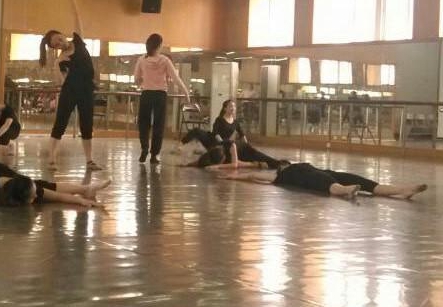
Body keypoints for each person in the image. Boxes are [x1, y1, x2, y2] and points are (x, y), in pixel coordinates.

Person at [39, 0, 101, 171]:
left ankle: (89, 160)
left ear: (62, 35)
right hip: (70, 91)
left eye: (59, 38)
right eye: (56, 44)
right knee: (61, 122)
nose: (60, 43)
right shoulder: (61, 59)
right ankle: (52, 158)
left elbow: (77, 17)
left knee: (87, 124)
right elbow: (61, 82)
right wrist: (57, 64)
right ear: (55, 48)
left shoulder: (78, 40)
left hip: (87, 89)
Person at [216, 163, 428, 200]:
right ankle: (344, 191)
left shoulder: (290, 170)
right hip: (312, 178)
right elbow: (254, 176)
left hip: (324, 172)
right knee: (326, 182)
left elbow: (253, 176)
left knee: (361, 180)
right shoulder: (281, 176)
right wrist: (234, 176)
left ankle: (402, 190)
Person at [134, 33, 190, 164]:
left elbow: (136, 79)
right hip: (160, 95)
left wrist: (143, 80)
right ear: (159, 46)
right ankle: (154, 155)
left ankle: (144, 148)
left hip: (146, 94)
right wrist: (186, 92)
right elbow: (176, 78)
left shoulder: (141, 60)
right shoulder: (165, 60)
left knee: (143, 124)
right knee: (159, 125)